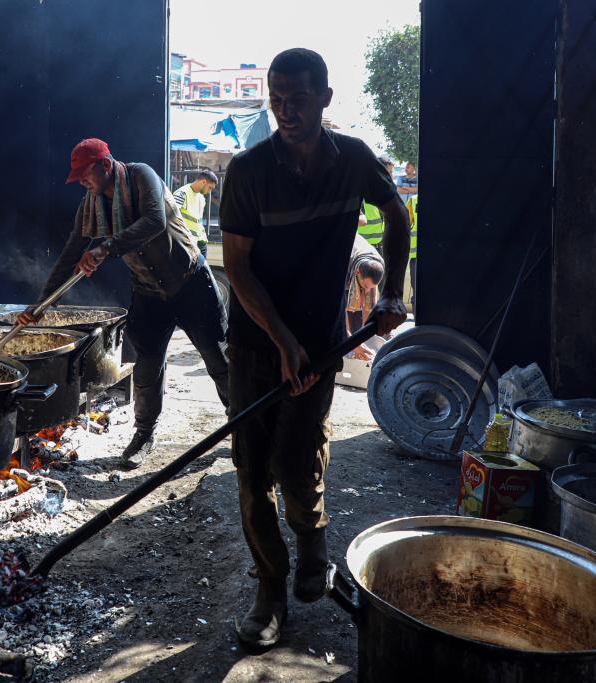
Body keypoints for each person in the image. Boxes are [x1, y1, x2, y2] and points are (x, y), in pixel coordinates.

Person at [219, 48, 409, 650]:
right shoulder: (248, 171)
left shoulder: (352, 159)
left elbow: (397, 213)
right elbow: (238, 268)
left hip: (322, 347)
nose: (286, 109)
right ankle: (270, 589)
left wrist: (392, 294)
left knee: (297, 466)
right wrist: (281, 340)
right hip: (255, 344)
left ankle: (312, 541)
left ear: (326, 98)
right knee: (253, 475)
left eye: (298, 97)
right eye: (277, 97)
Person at [17, 138, 230, 469]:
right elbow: (69, 255)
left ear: (104, 165)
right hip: (148, 292)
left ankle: (245, 426)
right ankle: (143, 435)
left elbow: (154, 221)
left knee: (219, 360)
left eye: (85, 175)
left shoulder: (141, 176)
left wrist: (107, 247)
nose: (83, 184)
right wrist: (41, 305)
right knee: (146, 367)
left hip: (190, 282)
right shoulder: (91, 205)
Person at [345, 234, 385, 361]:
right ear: (357, 273)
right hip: (340, 256)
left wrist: (366, 334)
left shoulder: (378, 264)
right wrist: (352, 343)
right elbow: (338, 312)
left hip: (358, 261)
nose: (366, 290)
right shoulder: (342, 268)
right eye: (365, 286)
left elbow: (371, 304)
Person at [173, 170, 218, 257]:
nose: (210, 191)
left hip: (200, 242)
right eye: (210, 187)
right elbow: (171, 218)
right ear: (203, 182)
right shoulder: (182, 194)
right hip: (186, 243)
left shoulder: (201, 197)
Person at [357, 157, 393, 253]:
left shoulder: (384, 193)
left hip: (379, 245)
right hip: (363, 247)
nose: (391, 176)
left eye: (392, 172)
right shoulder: (362, 191)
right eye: (388, 172)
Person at [406, 193, 418, 314]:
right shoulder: (412, 200)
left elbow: (406, 224)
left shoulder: (413, 200)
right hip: (436, 255)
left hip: (416, 256)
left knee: (417, 291)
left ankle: (417, 323)